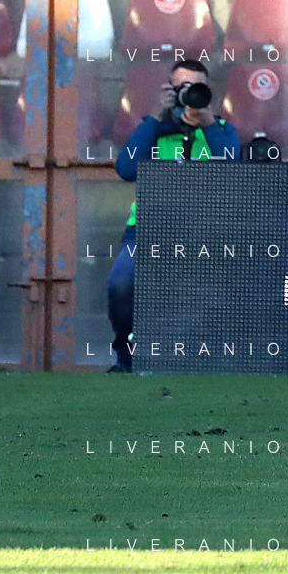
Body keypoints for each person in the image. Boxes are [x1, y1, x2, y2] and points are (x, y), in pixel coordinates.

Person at [107, 60, 241, 372]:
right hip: (148, 228)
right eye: (182, 88)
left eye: (196, 88)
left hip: (205, 231)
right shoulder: (154, 130)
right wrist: (156, 115)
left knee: (224, 289)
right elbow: (126, 169)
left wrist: (207, 123)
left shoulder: (222, 130)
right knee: (121, 283)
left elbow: (233, 171)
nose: (189, 95)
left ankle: (210, 359)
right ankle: (125, 358)